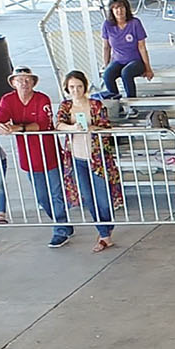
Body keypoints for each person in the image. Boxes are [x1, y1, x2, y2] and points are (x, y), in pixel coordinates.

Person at [0, 67, 70, 249]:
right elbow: (0, 119)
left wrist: (17, 128)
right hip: (28, 156)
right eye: (19, 80)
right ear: (13, 83)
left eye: (27, 80)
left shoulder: (42, 99)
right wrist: (1, 127)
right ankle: (62, 222)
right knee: (41, 196)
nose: (24, 83)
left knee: (56, 193)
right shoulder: (8, 100)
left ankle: (60, 228)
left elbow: (43, 124)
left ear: (33, 82)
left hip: (49, 152)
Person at [54, 70, 122, 253]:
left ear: (84, 87)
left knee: (103, 198)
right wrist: (72, 127)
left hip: (98, 158)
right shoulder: (65, 106)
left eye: (79, 86)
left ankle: (106, 227)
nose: (75, 90)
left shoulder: (95, 105)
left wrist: (93, 128)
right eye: (72, 87)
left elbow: (106, 127)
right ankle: (103, 234)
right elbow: (58, 124)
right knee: (88, 197)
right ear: (67, 89)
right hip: (76, 157)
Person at [100, 0, 153, 115]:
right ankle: (116, 105)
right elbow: (106, 47)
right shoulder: (107, 25)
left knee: (126, 73)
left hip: (135, 61)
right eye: (115, 8)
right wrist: (106, 65)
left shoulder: (135, 23)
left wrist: (148, 68)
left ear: (126, 8)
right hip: (118, 60)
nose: (119, 11)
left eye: (121, 7)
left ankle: (132, 105)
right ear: (112, 11)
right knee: (108, 75)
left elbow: (142, 47)